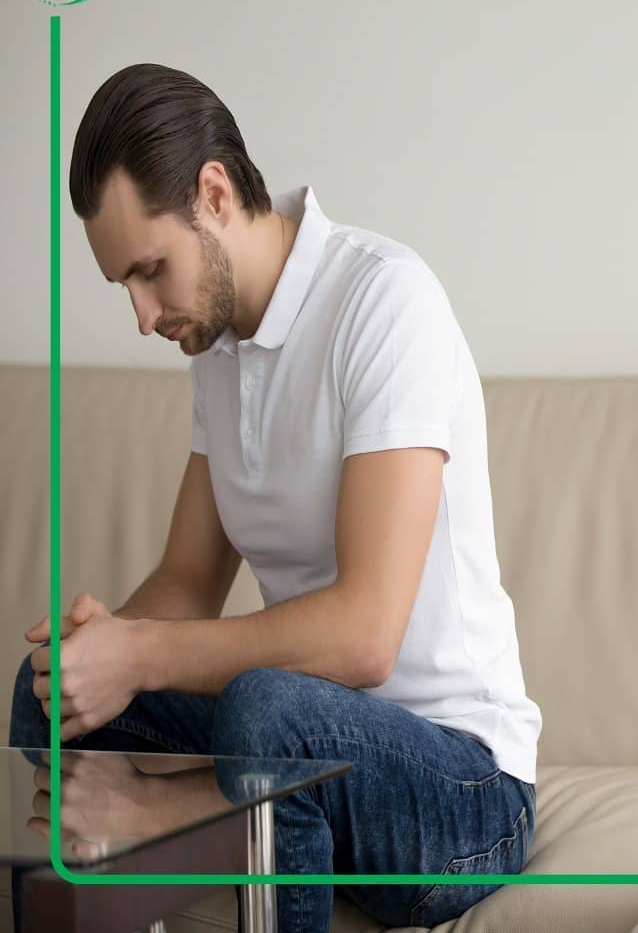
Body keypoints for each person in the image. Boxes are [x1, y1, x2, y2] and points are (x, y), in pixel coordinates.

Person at [8, 63, 541, 932]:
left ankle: (170, 818)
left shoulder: (383, 301)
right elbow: (187, 582)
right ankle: (208, 821)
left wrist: (142, 657)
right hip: (299, 745)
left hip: (461, 789)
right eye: (124, 287)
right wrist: (100, 653)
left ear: (214, 195)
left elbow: (365, 636)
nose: (142, 315)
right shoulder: (215, 350)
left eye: (151, 270)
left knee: (267, 707)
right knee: (45, 697)